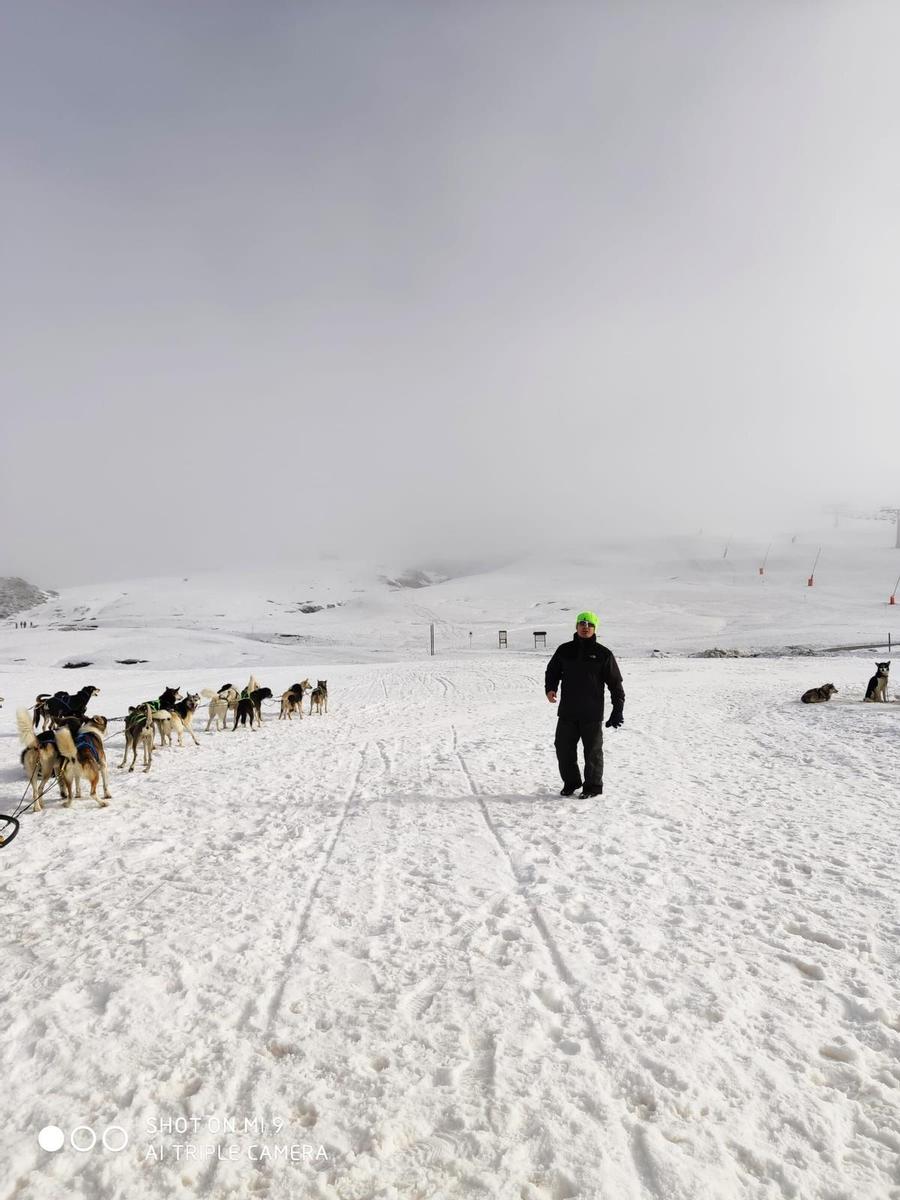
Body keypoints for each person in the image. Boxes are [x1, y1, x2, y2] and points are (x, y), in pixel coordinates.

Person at [545, 611, 624, 798]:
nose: (585, 626)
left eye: (589, 624)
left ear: (595, 628)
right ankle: (571, 783)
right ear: (576, 626)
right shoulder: (564, 650)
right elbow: (552, 670)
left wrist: (617, 709)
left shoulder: (603, 654)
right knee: (563, 749)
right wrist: (550, 688)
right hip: (567, 712)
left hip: (592, 713)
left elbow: (615, 684)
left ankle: (593, 787)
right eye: (582, 623)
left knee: (593, 753)